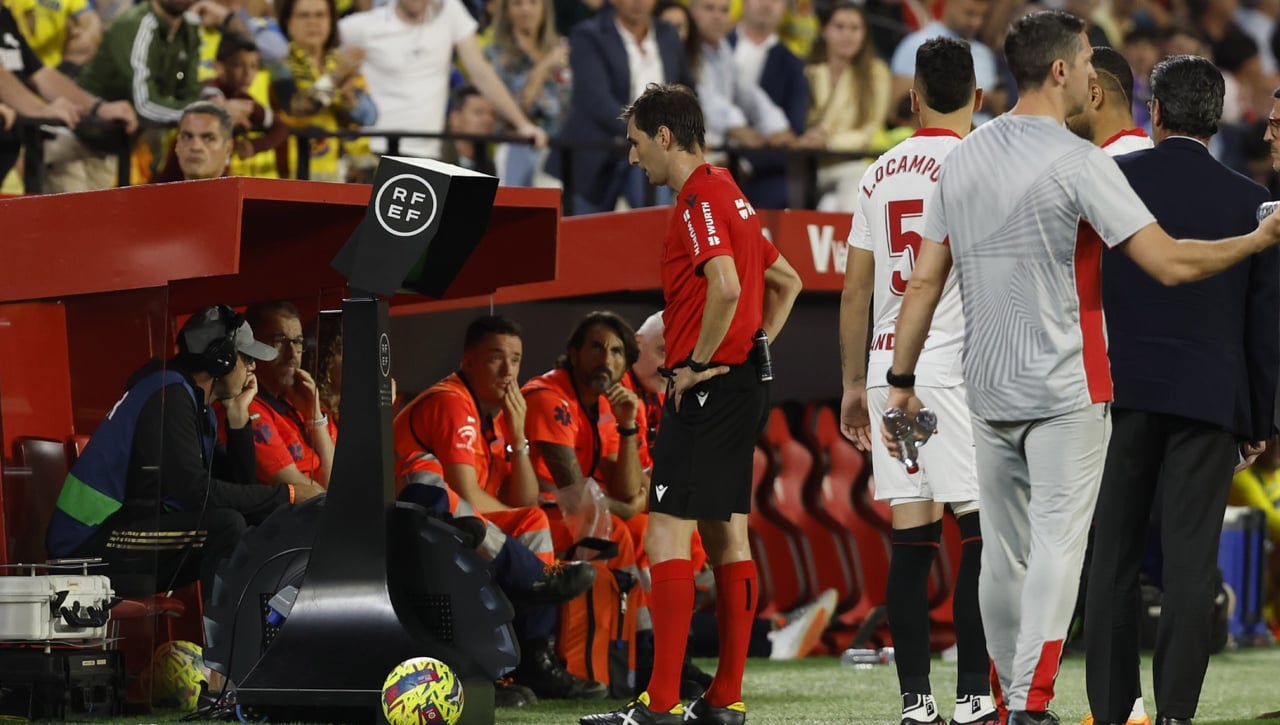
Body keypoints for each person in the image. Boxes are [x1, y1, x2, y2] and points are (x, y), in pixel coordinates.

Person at [879, 11, 1280, 724]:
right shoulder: (1083, 163)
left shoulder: (964, 155)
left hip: (988, 384)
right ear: (1061, 70)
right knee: (1063, 550)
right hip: (1070, 386)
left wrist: (900, 382)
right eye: (1088, 66)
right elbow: (1169, 262)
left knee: (1007, 556)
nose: (1096, 80)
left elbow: (922, 282)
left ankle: (1023, 699)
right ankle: (1040, 702)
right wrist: (1254, 241)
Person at [582, 82, 802, 725]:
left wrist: (700, 363)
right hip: (742, 386)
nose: (632, 159)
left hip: (709, 389)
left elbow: (728, 288)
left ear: (665, 137)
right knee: (729, 536)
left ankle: (660, 702)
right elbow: (784, 282)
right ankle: (725, 700)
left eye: (636, 144)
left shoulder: (700, 196)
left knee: (666, 536)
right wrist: (751, 353)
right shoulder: (732, 192)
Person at [1084, 54, 1280, 725]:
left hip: (1119, 394)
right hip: (1208, 399)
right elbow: (1264, 323)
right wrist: (1256, 419)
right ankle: (1174, 714)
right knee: (1192, 563)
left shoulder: (1109, 180)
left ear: (1154, 113)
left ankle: (1113, 710)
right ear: (1219, 118)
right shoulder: (1249, 202)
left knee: (1112, 557)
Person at [839, 37, 996, 725]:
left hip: (887, 372)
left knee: (912, 536)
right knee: (982, 536)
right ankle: (973, 694)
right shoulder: (981, 161)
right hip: (951, 371)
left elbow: (854, 290)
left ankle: (915, 701)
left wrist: (852, 383)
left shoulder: (877, 173)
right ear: (980, 98)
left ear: (912, 96)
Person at [45, 305, 323, 602]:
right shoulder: (169, 396)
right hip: (86, 547)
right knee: (225, 526)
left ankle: (243, 630)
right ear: (221, 359)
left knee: (241, 520)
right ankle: (223, 640)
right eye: (247, 358)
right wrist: (288, 495)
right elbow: (195, 493)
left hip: (118, 532)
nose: (252, 367)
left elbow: (239, 488)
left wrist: (238, 418)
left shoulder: (191, 400)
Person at [1061, 45, 1152, 725]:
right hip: (1154, 376)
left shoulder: (1104, 167)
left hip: (1104, 372)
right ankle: (1137, 699)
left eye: (1069, 84)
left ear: (1097, 94)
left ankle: (1120, 703)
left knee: (1103, 546)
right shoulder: (1155, 156)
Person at [335, 0, 547, 162]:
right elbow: (320, 56)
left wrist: (522, 124)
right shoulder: (362, 27)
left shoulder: (449, 12)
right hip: (374, 152)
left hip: (428, 154)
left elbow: (481, 73)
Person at [548, 0, 696, 214]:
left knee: (657, 226)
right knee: (583, 239)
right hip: (595, 152)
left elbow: (686, 88)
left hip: (652, 149)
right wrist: (648, 133)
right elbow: (597, 102)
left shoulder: (668, 35)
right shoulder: (588, 35)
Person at [1065, 46, 1151, 154]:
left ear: (1094, 97)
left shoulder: (1101, 166)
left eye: (1068, 97)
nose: (1063, 112)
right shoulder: (1150, 149)